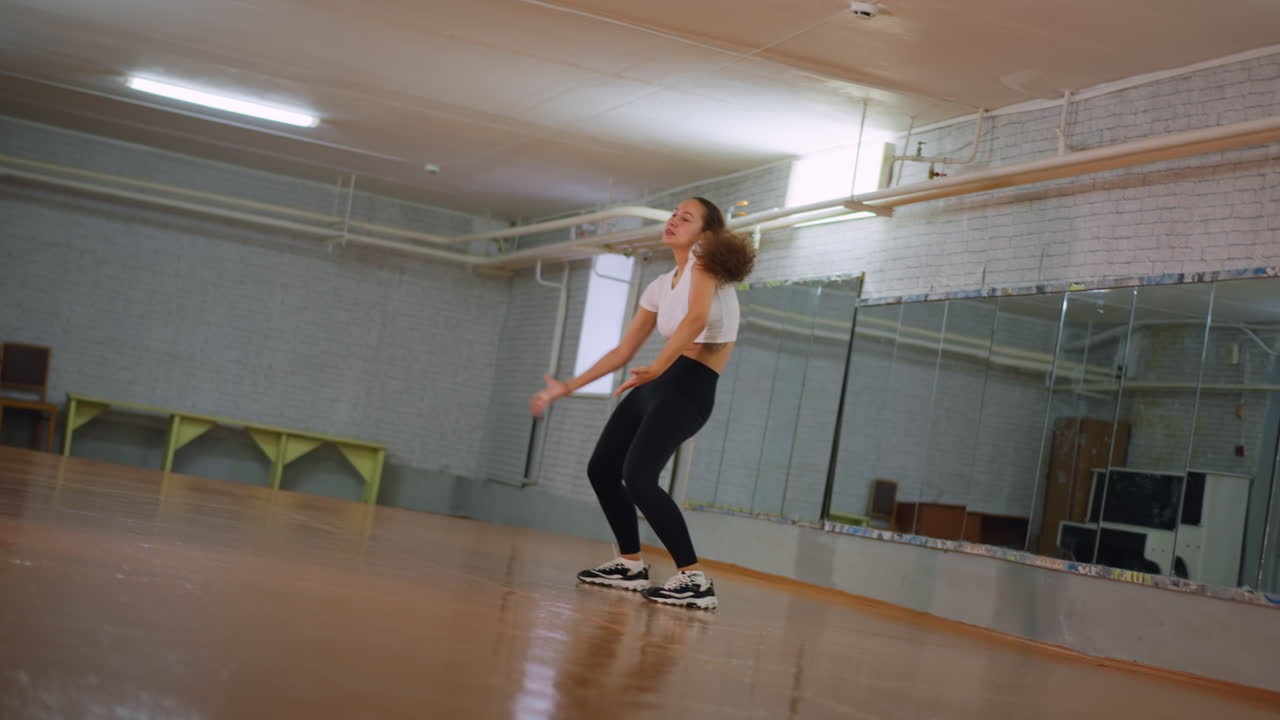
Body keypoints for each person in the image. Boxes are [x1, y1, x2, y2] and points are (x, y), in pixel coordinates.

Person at [530, 197, 756, 610]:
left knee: (639, 477)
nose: (673, 221)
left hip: (690, 385)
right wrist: (567, 386)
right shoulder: (659, 283)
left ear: (705, 235)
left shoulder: (705, 262)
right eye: (672, 214)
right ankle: (630, 564)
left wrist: (658, 366)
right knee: (602, 468)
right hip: (657, 381)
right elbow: (622, 351)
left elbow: (697, 320)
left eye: (685, 218)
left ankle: (694, 579)